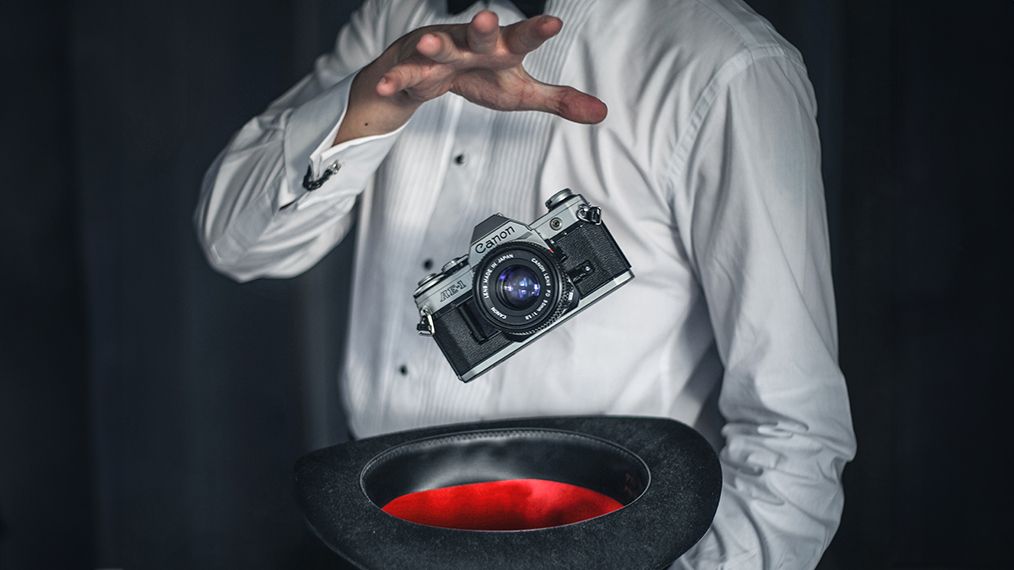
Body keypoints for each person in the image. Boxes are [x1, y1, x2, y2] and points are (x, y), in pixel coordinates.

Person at [194, 0, 856, 567]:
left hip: (606, 543)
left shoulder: (722, 65)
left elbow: (795, 435)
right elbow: (237, 244)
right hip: (375, 534)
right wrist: (377, 98)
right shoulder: (404, 21)